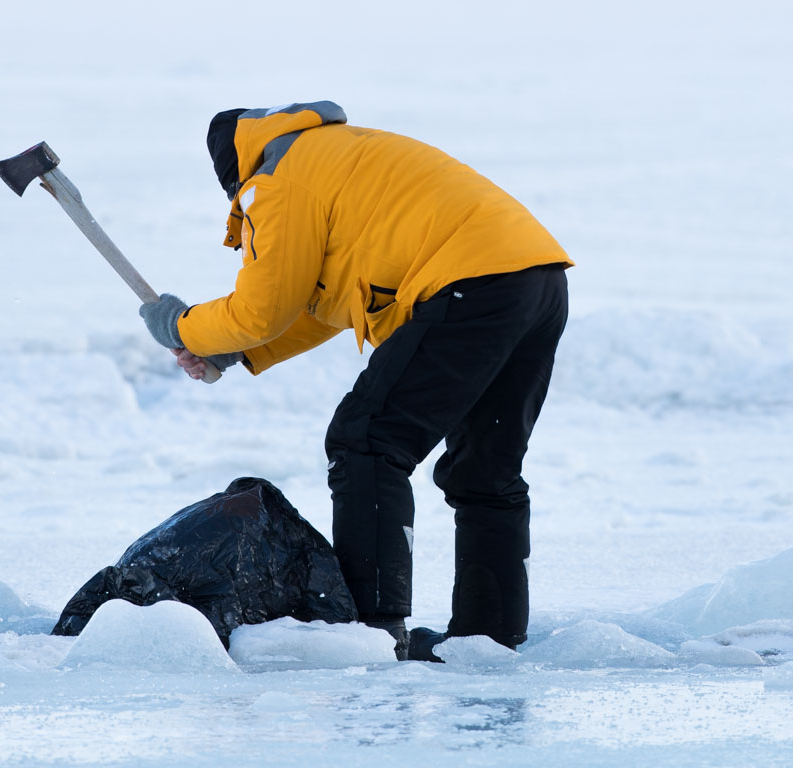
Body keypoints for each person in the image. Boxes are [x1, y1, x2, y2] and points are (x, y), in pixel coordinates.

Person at [139, 101, 572, 661]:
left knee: (366, 441)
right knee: (485, 470)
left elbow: (262, 306)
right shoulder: (332, 158)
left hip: (466, 281)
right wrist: (236, 353)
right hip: (533, 280)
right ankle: (488, 640)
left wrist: (183, 324)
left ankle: (371, 632)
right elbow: (317, 304)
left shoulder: (278, 176)